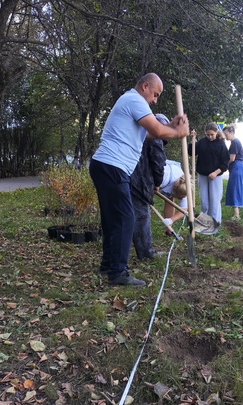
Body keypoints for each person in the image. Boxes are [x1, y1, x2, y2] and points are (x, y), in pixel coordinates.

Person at [89, 73, 189, 286]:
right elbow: (156, 129)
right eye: (155, 94)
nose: (155, 100)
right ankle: (118, 273)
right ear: (145, 86)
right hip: (112, 166)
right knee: (126, 219)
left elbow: (148, 135)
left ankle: (108, 267)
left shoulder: (128, 101)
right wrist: (179, 132)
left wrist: (171, 126)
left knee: (112, 220)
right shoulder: (135, 99)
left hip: (105, 166)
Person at [130, 114, 168, 260]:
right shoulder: (155, 138)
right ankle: (146, 253)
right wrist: (157, 183)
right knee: (141, 216)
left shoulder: (138, 131)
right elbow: (158, 162)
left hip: (124, 176)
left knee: (126, 215)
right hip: (139, 180)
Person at [189, 122, 229, 227]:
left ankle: (215, 222)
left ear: (216, 132)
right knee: (204, 200)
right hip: (202, 175)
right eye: (208, 134)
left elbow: (225, 163)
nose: (210, 137)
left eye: (212, 134)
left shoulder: (221, 144)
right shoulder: (202, 142)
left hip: (215, 177)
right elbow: (191, 152)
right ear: (205, 133)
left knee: (214, 200)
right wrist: (193, 140)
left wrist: (216, 173)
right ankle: (204, 222)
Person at [223, 125, 243, 219]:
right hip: (238, 168)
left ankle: (236, 215)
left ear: (232, 132)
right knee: (238, 189)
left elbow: (232, 158)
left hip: (236, 167)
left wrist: (224, 165)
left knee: (234, 190)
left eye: (226, 134)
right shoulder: (235, 142)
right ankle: (237, 213)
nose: (226, 136)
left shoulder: (234, 143)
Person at [159, 160, 188, 232]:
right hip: (159, 173)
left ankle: (169, 229)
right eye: (179, 197)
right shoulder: (164, 177)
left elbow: (184, 209)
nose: (180, 199)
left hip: (172, 174)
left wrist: (171, 220)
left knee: (169, 200)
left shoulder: (185, 185)